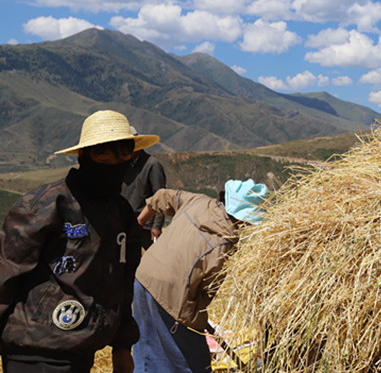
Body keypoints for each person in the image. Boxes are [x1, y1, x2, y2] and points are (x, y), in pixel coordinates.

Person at [0, 110, 157, 373]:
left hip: (82, 351)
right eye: (104, 156)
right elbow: (5, 276)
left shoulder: (121, 213)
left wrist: (122, 346)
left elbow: (123, 282)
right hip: (34, 351)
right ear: (83, 155)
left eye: (122, 155)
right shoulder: (46, 205)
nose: (114, 163)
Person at [132, 179, 270, 373]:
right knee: (190, 361)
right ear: (246, 221)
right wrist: (197, 318)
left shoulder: (199, 201)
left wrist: (138, 224)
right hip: (173, 297)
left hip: (143, 277)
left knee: (147, 350)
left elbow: (160, 197)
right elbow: (205, 292)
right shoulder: (225, 245)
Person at [120, 126, 167, 249]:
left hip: (146, 226)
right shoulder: (122, 165)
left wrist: (157, 225)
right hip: (125, 223)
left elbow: (160, 196)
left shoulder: (152, 165)